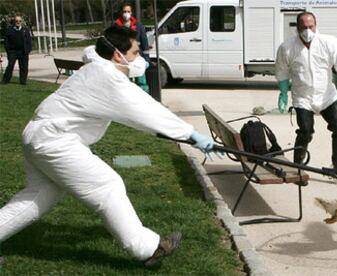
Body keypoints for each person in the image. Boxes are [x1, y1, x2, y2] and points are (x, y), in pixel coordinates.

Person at [0, 25, 216, 267]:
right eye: (136, 53)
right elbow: (147, 110)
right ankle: (147, 249)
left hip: (38, 137)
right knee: (108, 185)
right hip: (54, 141)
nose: (140, 59)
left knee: (36, 199)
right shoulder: (108, 78)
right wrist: (192, 134)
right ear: (117, 55)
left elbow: (96, 58)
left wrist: (188, 135)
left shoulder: (96, 66)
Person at [275, 11, 337, 184]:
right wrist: (283, 93)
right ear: (297, 27)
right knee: (306, 131)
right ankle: (298, 168)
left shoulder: (329, 42)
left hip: (327, 96)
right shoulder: (287, 47)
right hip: (303, 97)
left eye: (311, 26)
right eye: (304, 27)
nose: (308, 30)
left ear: (316, 25)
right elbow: (282, 70)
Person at [114, 3, 150, 93]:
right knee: (125, 83)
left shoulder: (138, 26)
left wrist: (146, 60)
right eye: (124, 11)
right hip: (123, 59)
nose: (126, 13)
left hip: (137, 57)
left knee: (141, 82)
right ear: (121, 12)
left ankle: (144, 100)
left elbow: (145, 44)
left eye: (128, 11)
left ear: (131, 12)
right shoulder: (116, 26)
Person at [2, 15, 32, 85]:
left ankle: (23, 81)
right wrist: (8, 50)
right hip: (13, 51)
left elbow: (29, 41)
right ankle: (5, 80)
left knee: (24, 67)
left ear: (21, 22)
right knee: (10, 65)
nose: (18, 22)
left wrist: (28, 50)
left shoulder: (25, 30)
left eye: (19, 21)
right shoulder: (10, 30)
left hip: (23, 51)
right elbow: (6, 41)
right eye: (16, 21)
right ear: (14, 22)